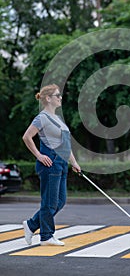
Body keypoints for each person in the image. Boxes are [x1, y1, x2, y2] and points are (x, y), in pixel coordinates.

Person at [22, 84, 81, 246]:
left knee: (60, 201)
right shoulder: (41, 118)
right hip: (50, 163)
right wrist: (39, 155)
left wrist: (74, 162)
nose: (60, 98)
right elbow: (27, 137)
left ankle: (32, 224)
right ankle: (46, 236)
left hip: (62, 163)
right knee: (49, 202)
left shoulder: (58, 119)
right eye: (57, 95)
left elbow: (65, 145)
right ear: (48, 99)